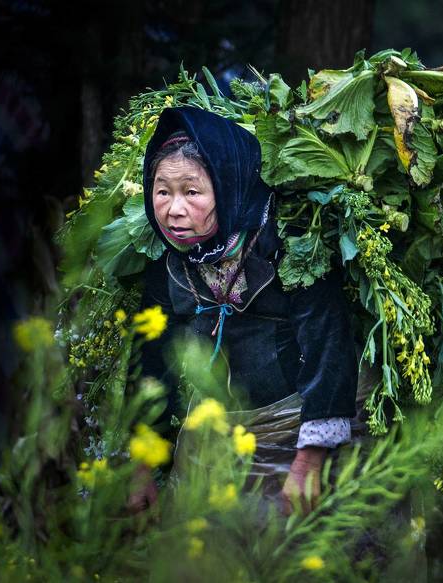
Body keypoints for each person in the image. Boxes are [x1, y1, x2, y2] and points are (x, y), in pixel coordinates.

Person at [126, 106, 359, 515]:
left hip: (302, 427)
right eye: (163, 192)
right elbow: (154, 359)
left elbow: (327, 342)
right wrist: (142, 464)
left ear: (228, 186)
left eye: (191, 192)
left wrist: (310, 461)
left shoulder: (289, 240)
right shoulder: (169, 260)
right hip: (221, 432)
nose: (174, 209)